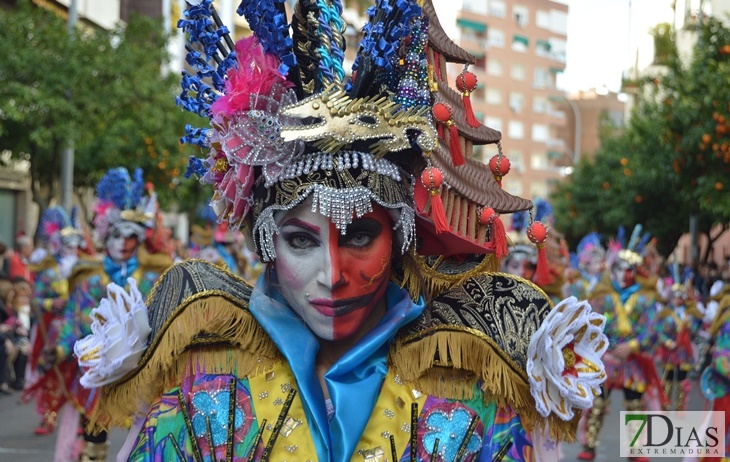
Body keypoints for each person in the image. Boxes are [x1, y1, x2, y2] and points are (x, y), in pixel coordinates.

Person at [74, 1, 609, 461]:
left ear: (398, 236)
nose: (332, 275)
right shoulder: (206, 390)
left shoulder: (471, 391)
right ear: (266, 240)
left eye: (357, 237)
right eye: (301, 240)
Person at [47, 168, 172, 462]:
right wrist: (61, 347)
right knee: (94, 436)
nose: (123, 243)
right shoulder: (91, 278)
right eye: (117, 235)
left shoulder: (153, 276)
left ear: (140, 240)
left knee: (147, 438)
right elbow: (76, 321)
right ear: (107, 235)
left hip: (143, 373)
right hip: (99, 370)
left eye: (131, 236)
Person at [577, 236, 661, 461]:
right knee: (597, 404)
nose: (625, 274)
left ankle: (635, 448)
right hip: (606, 359)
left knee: (635, 404)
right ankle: (589, 445)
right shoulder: (601, 297)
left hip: (633, 361)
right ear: (612, 270)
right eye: (621, 269)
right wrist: (606, 346)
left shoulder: (645, 299)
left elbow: (652, 328)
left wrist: (632, 345)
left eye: (630, 270)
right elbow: (590, 324)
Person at [21, 206, 85, 435]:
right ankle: (49, 417)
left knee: (82, 374)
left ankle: (82, 421)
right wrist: (52, 304)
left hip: (81, 330)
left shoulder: (86, 271)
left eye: (75, 245)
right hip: (55, 331)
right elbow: (36, 300)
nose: (72, 249)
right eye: (68, 245)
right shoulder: (48, 272)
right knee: (52, 373)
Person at [653, 264, 703, 411]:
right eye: (675, 298)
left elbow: (695, 330)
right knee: (668, 378)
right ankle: (665, 405)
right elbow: (658, 330)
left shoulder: (688, 313)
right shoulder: (666, 313)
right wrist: (668, 342)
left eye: (680, 298)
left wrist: (690, 326)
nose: (678, 300)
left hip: (683, 351)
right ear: (670, 299)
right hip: (669, 350)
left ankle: (680, 406)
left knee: (682, 378)